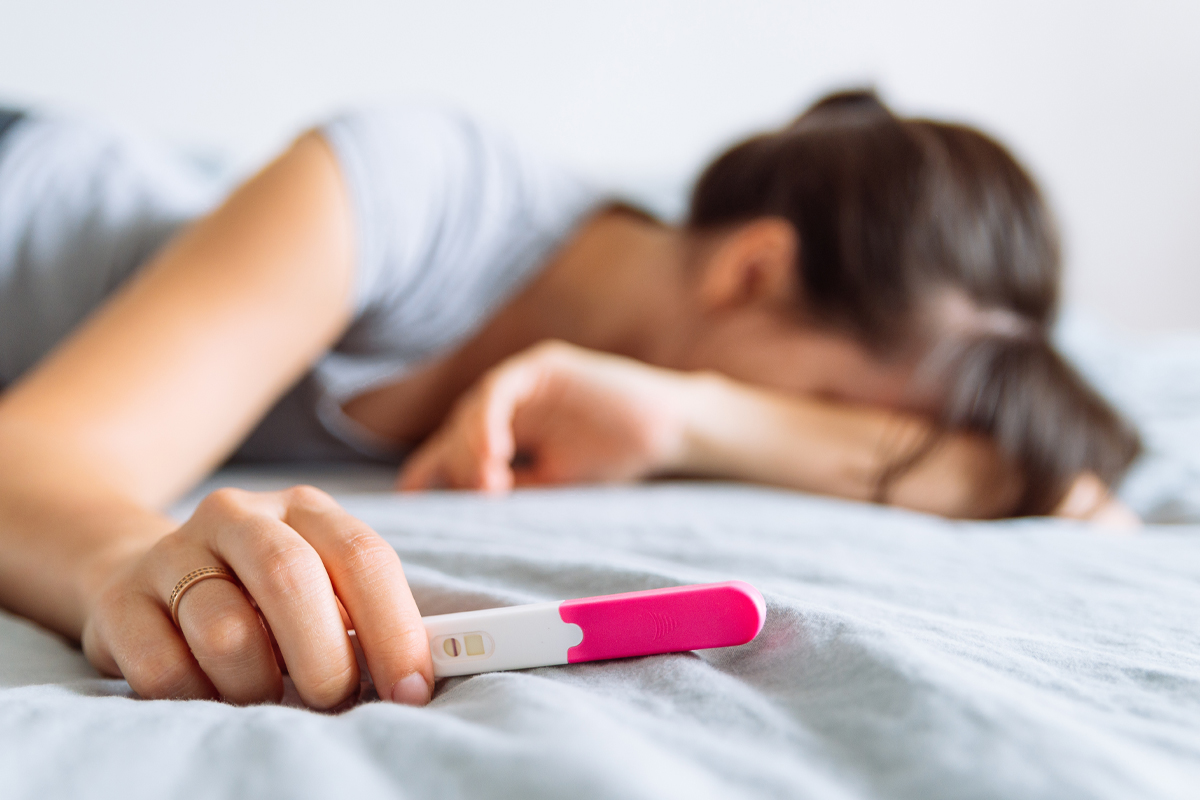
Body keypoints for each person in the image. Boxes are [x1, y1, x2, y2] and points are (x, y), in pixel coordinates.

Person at [0, 91, 1139, 710]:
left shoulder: (660, 376)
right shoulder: (418, 186)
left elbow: (1075, 500)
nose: (822, 447)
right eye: (837, 406)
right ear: (750, 270)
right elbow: (29, 458)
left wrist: (692, 414)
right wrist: (127, 570)